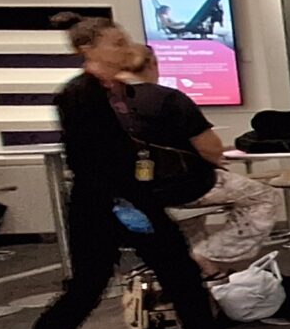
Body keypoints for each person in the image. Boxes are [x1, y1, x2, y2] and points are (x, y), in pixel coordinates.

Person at [3, 16, 258, 329]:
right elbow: (88, 158)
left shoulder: (120, 92)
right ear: (88, 49)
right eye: (116, 41)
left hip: (133, 198)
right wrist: (123, 203)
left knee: (182, 276)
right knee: (87, 289)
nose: (125, 46)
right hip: (103, 203)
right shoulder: (80, 95)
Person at [118, 47, 279, 277]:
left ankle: (193, 271)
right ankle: (206, 255)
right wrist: (217, 158)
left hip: (133, 192)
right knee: (263, 197)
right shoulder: (168, 98)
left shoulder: (102, 104)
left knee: (185, 221)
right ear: (153, 64)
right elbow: (209, 148)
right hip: (186, 185)